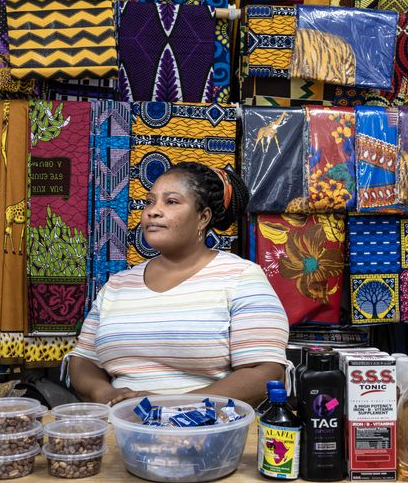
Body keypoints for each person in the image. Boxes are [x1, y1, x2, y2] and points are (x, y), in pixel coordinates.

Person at [66, 162, 290, 407]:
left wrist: (172, 406)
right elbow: (83, 360)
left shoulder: (240, 277)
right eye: (149, 202)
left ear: (203, 217)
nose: (153, 211)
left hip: (208, 425)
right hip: (119, 423)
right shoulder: (118, 285)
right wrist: (104, 393)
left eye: (171, 202)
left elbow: (266, 372)